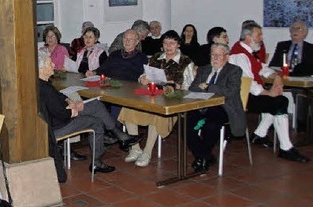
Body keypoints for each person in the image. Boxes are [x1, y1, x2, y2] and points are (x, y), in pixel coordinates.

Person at [37, 50, 141, 174]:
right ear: (41, 68)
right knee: (96, 123)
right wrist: (73, 110)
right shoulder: (45, 89)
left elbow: (58, 97)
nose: (54, 65)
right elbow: (62, 114)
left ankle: (119, 134)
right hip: (57, 126)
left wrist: (69, 100)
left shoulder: (41, 82)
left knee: (95, 105)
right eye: (50, 63)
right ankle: (98, 161)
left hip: (60, 116)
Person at [228, 22, 309, 163]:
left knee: (277, 101)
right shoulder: (239, 55)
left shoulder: (249, 51)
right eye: (258, 35)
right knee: (280, 101)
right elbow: (248, 83)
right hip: (243, 97)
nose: (261, 38)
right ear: (248, 37)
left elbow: (261, 68)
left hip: (251, 93)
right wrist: (267, 92)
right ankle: (285, 148)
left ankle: (260, 134)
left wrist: (275, 76)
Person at [120, 30, 195, 167]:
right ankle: (135, 148)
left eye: (172, 43)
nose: (168, 46)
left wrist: (176, 85)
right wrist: (142, 79)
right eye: (165, 43)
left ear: (178, 45)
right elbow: (143, 75)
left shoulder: (186, 61)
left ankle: (147, 152)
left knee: (157, 113)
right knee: (128, 108)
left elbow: (189, 86)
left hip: (171, 100)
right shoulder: (155, 57)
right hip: (151, 96)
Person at [186, 43, 246, 172]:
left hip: (224, 107)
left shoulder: (234, 70)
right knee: (185, 124)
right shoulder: (203, 69)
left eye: (219, 55)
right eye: (213, 55)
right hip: (201, 105)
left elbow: (230, 92)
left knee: (211, 126)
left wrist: (208, 87)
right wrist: (209, 89)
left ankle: (202, 158)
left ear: (227, 57)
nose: (215, 58)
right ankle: (205, 156)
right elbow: (193, 88)